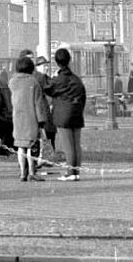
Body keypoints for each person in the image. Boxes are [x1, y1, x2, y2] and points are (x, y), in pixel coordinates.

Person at [49, 47, 87, 181]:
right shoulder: (76, 79)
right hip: (77, 113)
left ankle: (70, 172)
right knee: (76, 144)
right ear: (69, 60)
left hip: (63, 115)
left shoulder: (58, 79)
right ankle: (76, 171)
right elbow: (83, 96)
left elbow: (48, 88)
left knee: (67, 145)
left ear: (56, 62)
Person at [10, 55, 50, 182]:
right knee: (31, 146)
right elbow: (38, 104)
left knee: (20, 146)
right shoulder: (33, 82)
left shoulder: (12, 82)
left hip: (17, 118)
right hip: (31, 118)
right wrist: (42, 121)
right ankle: (32, 172)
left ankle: (22, 173)